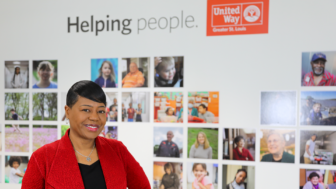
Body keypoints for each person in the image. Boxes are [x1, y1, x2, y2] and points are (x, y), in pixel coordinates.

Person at [22, 80, 150, 189]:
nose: (94, 117)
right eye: (86, 110)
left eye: (100, 111)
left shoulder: (117, 150)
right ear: (67, 111)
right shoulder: (42, 158)